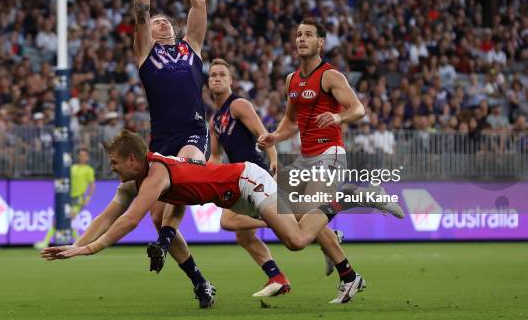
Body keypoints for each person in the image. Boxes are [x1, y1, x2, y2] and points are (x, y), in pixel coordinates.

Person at [40, 131, 399, 292]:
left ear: (133, 159)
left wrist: (87, 250)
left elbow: (130, 220)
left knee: (298, 239)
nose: (113, 168)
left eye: (115, 163)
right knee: (296, 230)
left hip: (246, 181)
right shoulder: (140, 178)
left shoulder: (155, 174)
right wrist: (76, 245)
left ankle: (352, 196)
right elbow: (106, 217)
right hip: (233, 196)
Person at [258, 17, 403, 304]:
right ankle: (349, 275)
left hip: (329, 155)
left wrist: (337, 116)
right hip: (304, 158)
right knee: (290, 212)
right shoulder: (292, 80)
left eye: (308, 35)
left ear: (320, 42)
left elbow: (358, 109)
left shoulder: (330, 75)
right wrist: (275, 136)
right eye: (298, 34)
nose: (301, 39)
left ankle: (358, 196)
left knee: (305, 223)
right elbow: (290, 121)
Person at [132, 0, 214, 308]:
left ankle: (164, 242)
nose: (160, 23)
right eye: (156, 23)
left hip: (192, 133)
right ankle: (199, 282)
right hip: (160, 138)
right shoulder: (146, 57)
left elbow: (198, 3)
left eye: (166, 21)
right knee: (154, 212)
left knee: (183, 171)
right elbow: (140, 11)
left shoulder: (191, 50)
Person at [208, 58, 290, 297]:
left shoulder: (239, 105)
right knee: (243, 235)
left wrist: (274, 157)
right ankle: (277, 277)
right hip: (237, 178)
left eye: (222, 74)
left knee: (228, 223)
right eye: (213, 75)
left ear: (231, 80)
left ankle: (312, 229)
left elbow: (263, 135)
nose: (217, 78)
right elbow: (214, 156)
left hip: (255, 173)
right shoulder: (214, 120)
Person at [34, 148, 96, 249]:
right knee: (59, 221)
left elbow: (92, 185)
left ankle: (78, 243)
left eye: (84, 155)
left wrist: (88, 198)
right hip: (67, 198)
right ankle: (47, 242)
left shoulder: (89, 170)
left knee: (68, 219)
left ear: (87, 157)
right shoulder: (73, 168)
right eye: (80, 155)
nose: (82, 157)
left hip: (77, 199)